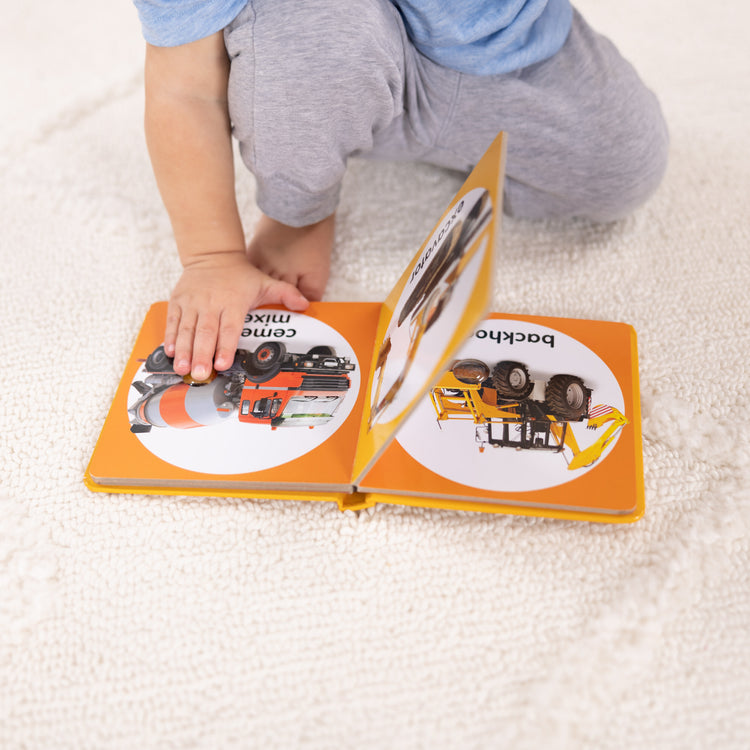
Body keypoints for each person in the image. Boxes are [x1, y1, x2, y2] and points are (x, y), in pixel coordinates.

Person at [135, 0, 668, 382]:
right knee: (314, 39)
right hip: (335, 55)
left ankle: (389, 140)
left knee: (625, 166)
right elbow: (183, 89)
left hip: (511, 50)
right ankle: (302, 208)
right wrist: (213, 257)